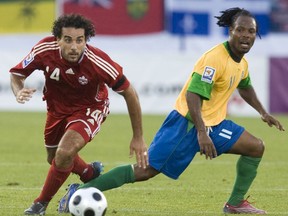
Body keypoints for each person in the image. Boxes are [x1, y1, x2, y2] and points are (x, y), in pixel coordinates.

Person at [58, 8, 285, 215]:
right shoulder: (215, 59)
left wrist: (263, 113)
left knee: (256, 147)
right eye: (240, 30)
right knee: (145, 171)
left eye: (251, 31)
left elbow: (244, 86)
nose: (246, 35)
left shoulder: (240, 62)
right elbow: (192, 95)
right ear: (230, 31)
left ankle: (235, 204)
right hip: (186, 125)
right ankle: (81, 190)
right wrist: (202, 132)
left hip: (214, 124)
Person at [9, 14, 148, 215]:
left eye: (79, 40)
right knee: (54, 158)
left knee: (64, 153)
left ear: (85, 40)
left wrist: (138, 136)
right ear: (57, 40)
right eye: (68, 40)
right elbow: (16, 75)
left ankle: (39, 205)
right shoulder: (44, 50)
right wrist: (18, 90)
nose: (74, 47)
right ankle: (89, 173)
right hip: (56, 109)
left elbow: (129, 92)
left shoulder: (98, 62)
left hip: (90, 108)